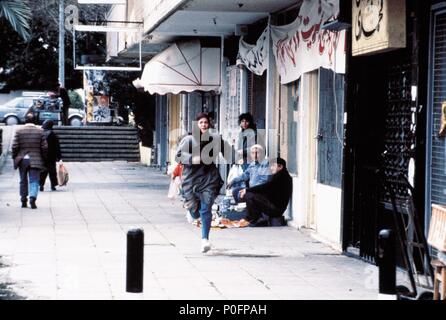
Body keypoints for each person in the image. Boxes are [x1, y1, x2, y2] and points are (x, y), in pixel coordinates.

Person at [176, 112, 233, 253]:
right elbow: (178, 156)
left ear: (209, 125)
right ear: (196, 124)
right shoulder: (189, 140)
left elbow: (228, 152)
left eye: (206, 123)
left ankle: (205, 240)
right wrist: (191, 159)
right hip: (191, 179)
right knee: (195, 212)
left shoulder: (215, 139)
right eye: (201, 122)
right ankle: (191, 211)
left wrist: (238, 157)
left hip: (209, 178)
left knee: (206, 208)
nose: (203, 125)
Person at [239, 158, 292, 227]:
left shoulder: (281, 177)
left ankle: (252, 219)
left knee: (249, 195)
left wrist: (247, 190)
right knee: (252, 195)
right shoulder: (280, 175)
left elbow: (265, 187)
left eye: (273, 166)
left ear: (280, 167)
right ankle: (254, 219)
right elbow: (266, 189)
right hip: (274, 207)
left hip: (275, 209)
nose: (270, 168)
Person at [12, 114, 48, 209]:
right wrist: (43, 158)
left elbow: (14, 146)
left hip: (22, 159)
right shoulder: (40, 131)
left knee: (23, 180)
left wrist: (14, 157)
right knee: (34, 180)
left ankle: (23, 199)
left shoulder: (19, 131)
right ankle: (32, 198)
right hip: (36, 159)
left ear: (25, 120)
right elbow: (44, 147)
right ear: (35, 121)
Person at [40, 120, 62, 192]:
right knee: (52, 171)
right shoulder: (53, 135)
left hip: (43, 156)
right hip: (52, 156)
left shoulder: (41, 134)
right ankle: (53, 185)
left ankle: (41, 185)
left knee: (43, 171)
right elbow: (57, 147)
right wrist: (59, 157)